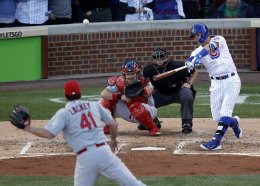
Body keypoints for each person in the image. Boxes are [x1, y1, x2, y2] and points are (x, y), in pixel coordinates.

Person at [14, 80, 146, 186]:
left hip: (85, 157)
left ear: (65, 96)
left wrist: (27, 127)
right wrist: (113, 141)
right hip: (104, 152)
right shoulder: (94, 105)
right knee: (133, 183)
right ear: (80, 93)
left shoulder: (64, 113)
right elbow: (113, 124)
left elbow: (48, 134)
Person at [186, 23, 243, 150]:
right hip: (216, 83)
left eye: (198, 35)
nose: (196, 38)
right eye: (194, 36)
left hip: (231, 80)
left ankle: (216, 141)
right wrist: (190, 62)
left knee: (225, 112)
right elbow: (191, 59)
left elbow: (209, 47)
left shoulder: (218, 39)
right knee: (218, 117)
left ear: (205, 33)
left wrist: (198, 57)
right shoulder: (196, 52)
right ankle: (234, 122)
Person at [142, 48, 198, 134]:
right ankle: (151, 122)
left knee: (187, 93)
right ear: (153, 59)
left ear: (167, 58)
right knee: (142, 100)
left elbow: (195, 71)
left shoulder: (177, 66)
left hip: (178, 92)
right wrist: (149, 88)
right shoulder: (148, 70)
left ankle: (187, 123)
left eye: (162, 58)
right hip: (160, 94)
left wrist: (189, 84)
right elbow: (144, 82)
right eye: (157, 59)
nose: (159, 61)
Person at [100, 59, 161, 136]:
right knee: (106, 100)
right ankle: (107, 127)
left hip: (147, 109)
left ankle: (153, 128)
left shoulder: (144, 81)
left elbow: (149, 90)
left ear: (137, 73)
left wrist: (137, 91)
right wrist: (121, 96)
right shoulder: (119, 82)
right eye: (128, 74)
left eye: (132, 73)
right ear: (124, 75)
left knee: (135, 106)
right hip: (128, 111)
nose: (130, 76)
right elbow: (103, 93)